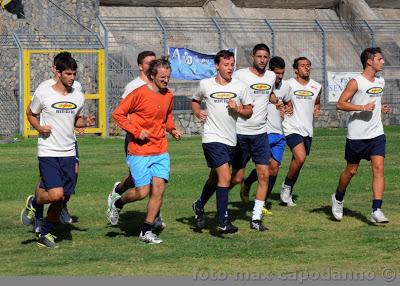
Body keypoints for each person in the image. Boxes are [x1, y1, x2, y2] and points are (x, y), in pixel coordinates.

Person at [21, 55, 95, 248]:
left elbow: (74, 120)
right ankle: (36, 203)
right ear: (59, 73)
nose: (72, 77)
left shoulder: (78, 95)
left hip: (69, 152)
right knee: (55, 195)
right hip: (48, 150)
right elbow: (30, 113)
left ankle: (44, 233)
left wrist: (85, 122)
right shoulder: (44, 93)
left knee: (62, 198)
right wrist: (39, 128)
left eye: (74, 74)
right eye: (68, 74)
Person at [110, 58, 183, 244]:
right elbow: (117, 114)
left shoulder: (168, 95)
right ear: (152, 76)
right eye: (162, 77)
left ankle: (147, 231)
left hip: (160, 150)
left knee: (158, 189)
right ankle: (118, 203)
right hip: (139, 151)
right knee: (142, 192)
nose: (166, 80)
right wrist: (136, 131)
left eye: (168, 77)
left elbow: (166, 117)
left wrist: (172, 129)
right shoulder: (138, 94)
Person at [191, 50, 253, 233]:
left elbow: (249, 111)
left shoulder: (240, 87)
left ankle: (199, 205)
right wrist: (197, 112)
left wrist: (239, 108)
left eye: (232, 64)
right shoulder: (205, 84)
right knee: (226, 177)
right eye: (226, 64)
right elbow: (195, 100)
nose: (230, 68)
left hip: (230, 140)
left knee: (215, 178)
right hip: (211, 138)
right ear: (217, 66)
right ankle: (223, 221)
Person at [107, 51, 165, 229]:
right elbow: (123, 113)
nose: (152, 65)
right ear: (141, 66)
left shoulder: (160, 86)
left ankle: (153, 217)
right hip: (136, 142)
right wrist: (137, 130)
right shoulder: (133, 86)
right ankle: (118, 191)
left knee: (156, 181)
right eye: (149, 63)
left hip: (155, 144)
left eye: (154, 62)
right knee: (139, 181)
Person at [332, 47, 390, 223]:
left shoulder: (381, 81)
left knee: (379, 168)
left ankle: (377, 209)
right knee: (351, 171)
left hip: (376, 134)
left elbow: (375, 103)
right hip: (357, 136)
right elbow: (340, 104)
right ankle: (338, 198)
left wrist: (382, 108)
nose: (383, 61)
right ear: (369, 61)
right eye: (379, 59)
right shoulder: (356, 82)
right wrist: (362, 108)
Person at [229, 44, 277, 232]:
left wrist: (279, 102)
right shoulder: (240, 75)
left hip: (260, 133)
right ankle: (220, 203)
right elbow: (232, 92)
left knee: (264, 174)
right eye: (259, 56)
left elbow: (269, 93)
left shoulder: (271, 76)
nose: (262, 60)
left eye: (265, 57)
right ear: (252, 57)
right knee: (236, 177)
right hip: (241, 132)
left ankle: (256, 217)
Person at [240, 56, 291, 213]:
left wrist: (288, 109)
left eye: (282, 73)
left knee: (274, 169)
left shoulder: (286, 86)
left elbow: (288, 103)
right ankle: (248, 184)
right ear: (271, 72)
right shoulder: (260, 85)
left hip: (279, 133)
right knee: (264, 169)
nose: (280, 77)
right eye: (277, 74)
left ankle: (261, 202)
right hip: (263, 132)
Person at [280, 57, 322, 206]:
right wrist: (283, 108)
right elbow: (281, 99)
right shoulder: (288, 85)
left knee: (298, 162)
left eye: (308, 65)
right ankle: (286, 186)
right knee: (301, 157)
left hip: (307, 130)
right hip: (291, 127)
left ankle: (289, 191)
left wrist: (317, 109)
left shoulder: (316, 86)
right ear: (296, 70)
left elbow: (317, 102)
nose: (306, 68)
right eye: (303, 66)